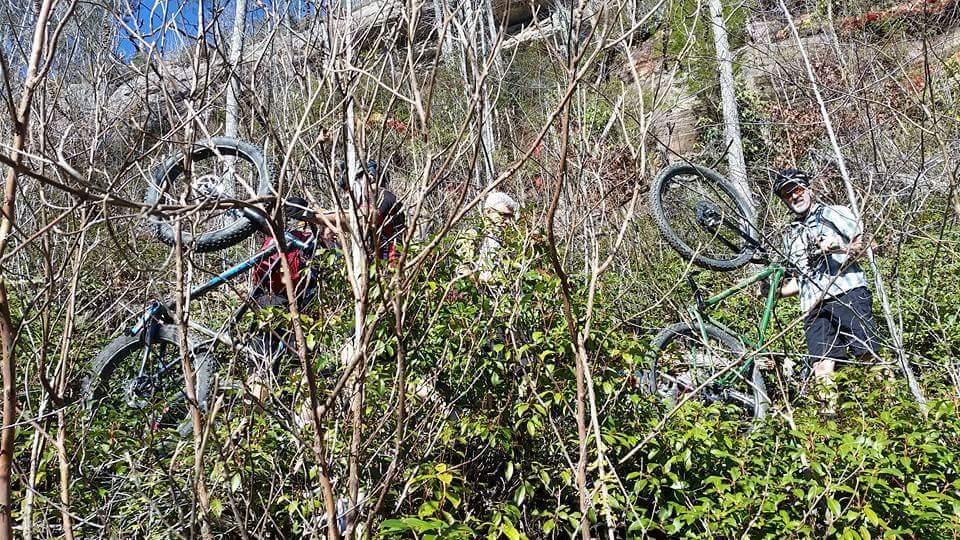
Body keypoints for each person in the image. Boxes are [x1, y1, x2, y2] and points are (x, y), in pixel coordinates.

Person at [772, 168, 878, 416]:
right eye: (788, 194)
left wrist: (839, 248)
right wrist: (774, 292)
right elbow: (802, 281)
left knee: (867, 353)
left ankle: (890, 411)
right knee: (821, 364)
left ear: (808, 189)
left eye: (797, 189)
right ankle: (829, 423)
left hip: (847, 291)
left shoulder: (833, 213)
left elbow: (868, 245)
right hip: (813, 305)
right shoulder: (790, 235)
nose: (794, 197)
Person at [457, 190, 520, 282]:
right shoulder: (473, 235)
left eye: (510, 217)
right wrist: (487, 280)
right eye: (503, 215)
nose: (508, 221)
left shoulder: (509, 239)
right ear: (488, 212)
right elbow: (461, 269)